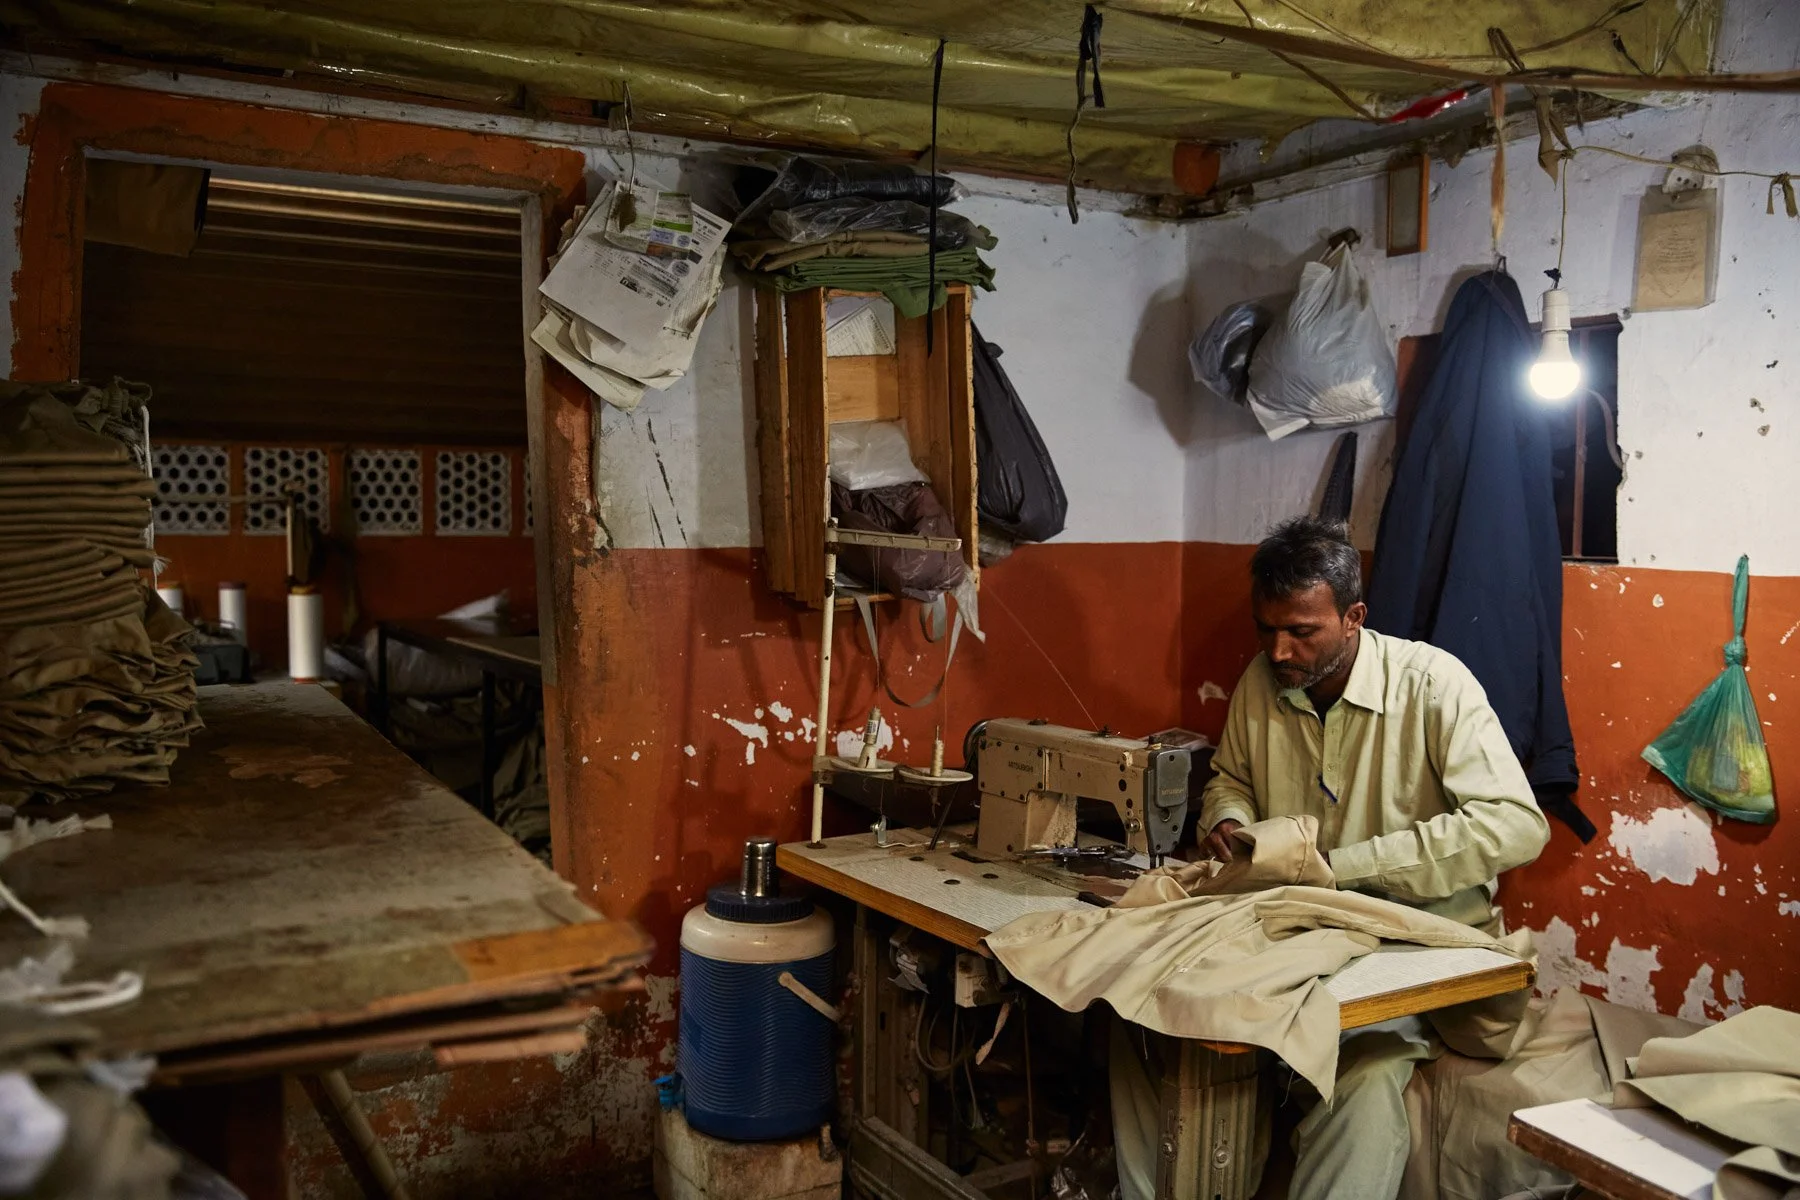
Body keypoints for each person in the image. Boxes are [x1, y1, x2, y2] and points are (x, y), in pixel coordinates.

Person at [1112, 516, 1551, 1200]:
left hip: (1406, 940)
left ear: (1353, 618)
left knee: (1362, 1077)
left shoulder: (1434, 686)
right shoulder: (1262, 681)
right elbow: (1231, 779)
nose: (1279, 651)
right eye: (1266, 630)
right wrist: (1228, 819)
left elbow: (1515, 827)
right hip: (1298, 928)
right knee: (1144, 1020)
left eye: (1301, 632)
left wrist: (1345, 867)